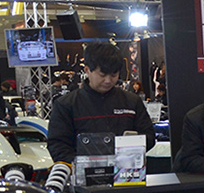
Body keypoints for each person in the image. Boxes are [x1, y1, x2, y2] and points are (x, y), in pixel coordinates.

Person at [47, 43, 155, 182]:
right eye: (102, 75)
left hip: (126, 178)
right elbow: (57, 144)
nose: (108, 80)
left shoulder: (131, 102)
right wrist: (83, 165)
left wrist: (130, 148)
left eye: (114, 75)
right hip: (83, 181)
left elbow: (149, 136)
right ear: (87, 70)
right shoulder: (67, 104)